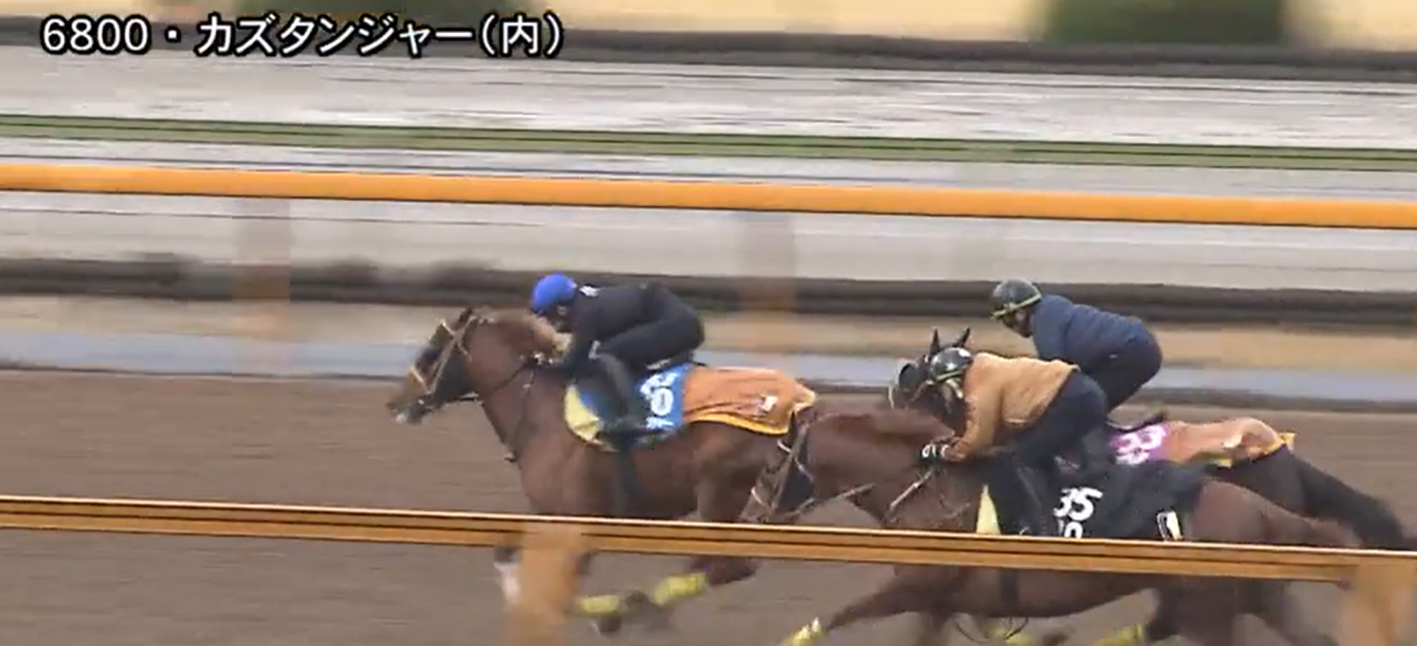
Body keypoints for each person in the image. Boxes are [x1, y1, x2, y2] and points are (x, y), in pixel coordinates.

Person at [923, 346, 1110, 537]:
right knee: (1034, 455)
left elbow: (979, 441)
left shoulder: (979, 388)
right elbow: (995, 433)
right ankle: (1052, 508)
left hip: (1072, 400)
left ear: (953, 382)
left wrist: (944, 452)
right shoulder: (985, 368)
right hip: (1080, 392)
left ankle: (1040, 530)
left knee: (1021, 461)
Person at [528, 273, 706, 426]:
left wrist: (545, 366)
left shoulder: (585, 313)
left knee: (608, 353)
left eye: (549, 316)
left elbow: (574, 362)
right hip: (674, 318)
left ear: (561, 309)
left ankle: (636, 414)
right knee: (614, 352)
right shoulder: (584, 302)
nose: (550, 323)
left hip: (678, 325)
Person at [989, 279, 1164, 415]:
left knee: (1081, 407)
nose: (1009, 327)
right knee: (1088, 398)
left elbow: (1054, 373)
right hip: (1138, 346)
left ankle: (1097, 451)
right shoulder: (1053, 309)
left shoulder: (1044, 323)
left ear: (1019, 314)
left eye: (1006, 320)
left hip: (1131, 351)